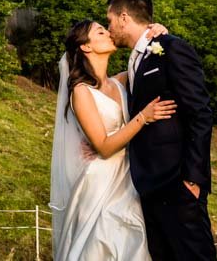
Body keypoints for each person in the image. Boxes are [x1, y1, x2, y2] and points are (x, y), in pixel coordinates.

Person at [50, 19, 176, 260]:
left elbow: (144, 61)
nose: (108, 32)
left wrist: (159, 33)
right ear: (86, 47)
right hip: (102, 184)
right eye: (100, 31)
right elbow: (104, 148)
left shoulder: (119, 83)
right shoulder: (81, 91)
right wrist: (143, 117)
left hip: (129, 178)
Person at [107, 0, 217, 261]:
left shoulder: (171, 48)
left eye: (109, 21)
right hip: (148, 185)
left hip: (178, 181)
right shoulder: (136, 59)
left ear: (123, 18)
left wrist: (193, 177)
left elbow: (200, 112)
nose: (109, 29)